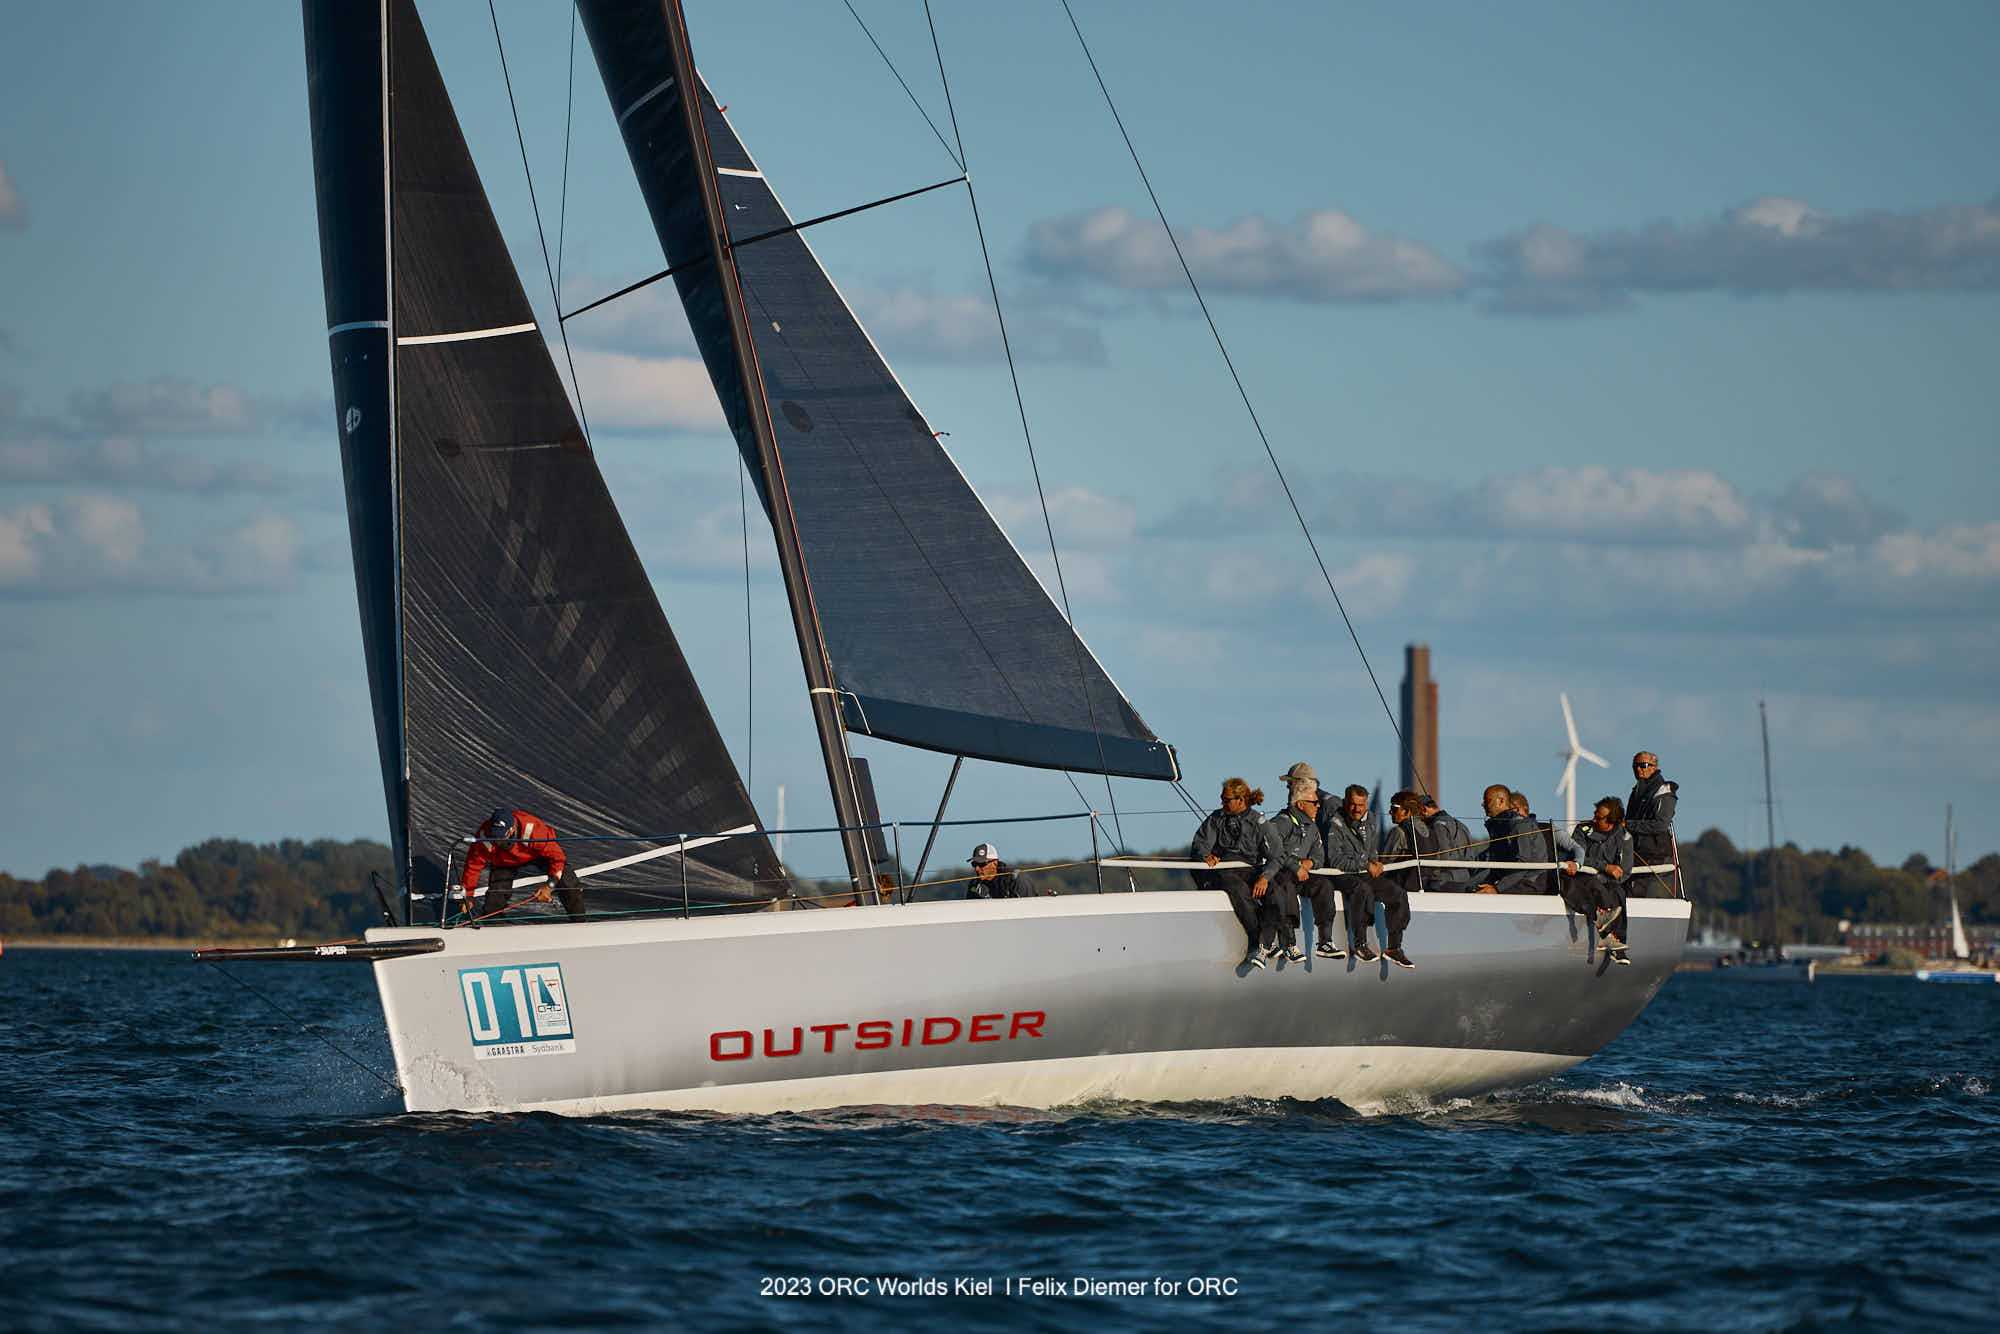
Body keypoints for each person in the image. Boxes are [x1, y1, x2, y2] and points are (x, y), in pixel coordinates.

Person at [1190, 778, 1268, 967]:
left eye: (1226, 800)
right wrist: (1205, 856)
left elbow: (1274, 853)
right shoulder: (1216, 819)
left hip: (1251, 871)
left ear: (1241, 800)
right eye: (1222, 799)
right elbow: (1200, 845)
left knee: (1276, 889)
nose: (1222, 803)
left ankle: (1280, 941)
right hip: (1225, 872)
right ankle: (1256, 939)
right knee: (1235, 886)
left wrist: (1266, 877)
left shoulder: (1258, 821)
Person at [461, 807, 583, 922]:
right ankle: (494, 926)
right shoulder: (484, 835)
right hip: (504, 860)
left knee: (568, 882)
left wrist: (550, 885)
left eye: (501, 837)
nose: (497, 841)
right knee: (495, 899)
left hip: (537, 855)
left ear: (512, 829)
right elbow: (473, 866)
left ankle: (580, 921)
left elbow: (557, 857)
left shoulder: (533, 829)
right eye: (494, 837)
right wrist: (468, 896)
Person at [1559, 798, 1635, 964]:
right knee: (1595, 886)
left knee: (1618, 893)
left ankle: (1618, 944)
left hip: (1608, 882)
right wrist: (1605, 867)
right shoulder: (1583, 829)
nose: (1594, 819)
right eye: (1595, 814)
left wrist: (1606, 874)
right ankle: (1606, 932)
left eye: (1599, 817)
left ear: (1611, 822)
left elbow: (1625, 870)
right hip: (1583, 877)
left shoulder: (1625, 838)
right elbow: (1580, 857)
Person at [1255, 778, 1324, 963]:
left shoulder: (1313, 827)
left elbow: (1320, 856)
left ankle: (1325, 941)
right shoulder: (1282, 822)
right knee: (1285, 886)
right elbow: (1275, 851)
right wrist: (1296, 866)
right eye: (1315, 803)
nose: (1318, 806)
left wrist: (1308, 864)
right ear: (1301, 804)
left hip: (1301, 875)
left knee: (1324, 886)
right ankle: (1288, 943)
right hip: (1279, 874)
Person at [1318, 784, 1380, 960]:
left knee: (1396, 892)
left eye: (1361, 805)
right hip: (1339, 873)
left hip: (1362, 870)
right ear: (1345, 802)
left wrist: (1375, 861)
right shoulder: (1335, 823)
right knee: (1362, 889)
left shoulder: (1371, 818)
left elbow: (1372, 849)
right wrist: (1366, 864)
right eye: (1353, 804)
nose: (1357, 809)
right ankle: (1360, 944)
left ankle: (1394, 947)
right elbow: (1336, 860)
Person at [1369, 791, 1423, 968]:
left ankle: (1391, 947)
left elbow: (1384, 863)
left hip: (1400, 885)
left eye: (1394, 808)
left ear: (1407, 811)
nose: (1390, 812)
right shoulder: (1425, 829)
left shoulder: (1398, 832)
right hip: (1422, 884)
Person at [1626, 751, 1680, 899]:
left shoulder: (1663, 791)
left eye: (1643, 765)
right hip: (1634, 851)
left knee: (1634, 891)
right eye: (1635, 766)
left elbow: (1660, 825)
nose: (1638, 769)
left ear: (1654, 767)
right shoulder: (1636, 791)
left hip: (1654, 854)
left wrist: (1628, 825)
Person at [1475, 783, 1544, 895]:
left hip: (1530, 883)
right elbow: (1497, 865)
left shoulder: (1520, 825)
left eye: (1487, 801)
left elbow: (1523, 863)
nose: (1483, 805)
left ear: (1501, 801)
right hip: (1510, 882)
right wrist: (1487, 884)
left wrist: (1497, 889)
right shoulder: (1500, 826)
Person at [1419, 794, 1475, 890]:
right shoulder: (1460, 824)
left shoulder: (1437, 826)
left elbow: (1442, 856)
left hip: (1446, 881)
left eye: (1417, 814)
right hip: (1465, 879)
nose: (1419, 820)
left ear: (1424, 810)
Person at [965, 843, 1041, 899]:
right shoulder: (974, 885)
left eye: (981, 864)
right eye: (974, 864)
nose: (977, 868)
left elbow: (1028, 908)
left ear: (995, 863)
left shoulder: (1014, 879)